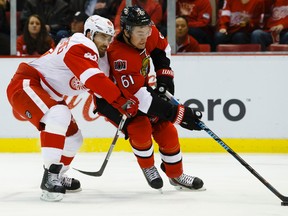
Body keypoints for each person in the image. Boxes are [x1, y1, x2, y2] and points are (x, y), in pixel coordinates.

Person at [6, 15, 139, 202]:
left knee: (74, 139)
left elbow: (102, 94)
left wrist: (123, 116)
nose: (106, 43)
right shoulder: (80, 43)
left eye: (109, 38)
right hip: (27, 83)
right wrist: (120, 101)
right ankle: (50, 177)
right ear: (89, 34)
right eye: (102, 36)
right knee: (58, 115)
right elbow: (94, 79)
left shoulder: (101, 60)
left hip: (49, 94)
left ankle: (58, 174)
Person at [95, 5, 204, 191]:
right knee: (140, 127)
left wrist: (164, 77)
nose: (145, 37)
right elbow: (141, 99)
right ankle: (148, 167)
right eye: (140, 33)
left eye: (147, 31)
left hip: (137, 89)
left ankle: (176, 174)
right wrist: (178, 114)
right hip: (113, 99)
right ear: (127, 31)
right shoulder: (119, 56)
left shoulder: (146, 30)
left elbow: (162, 49)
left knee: (166, 129)